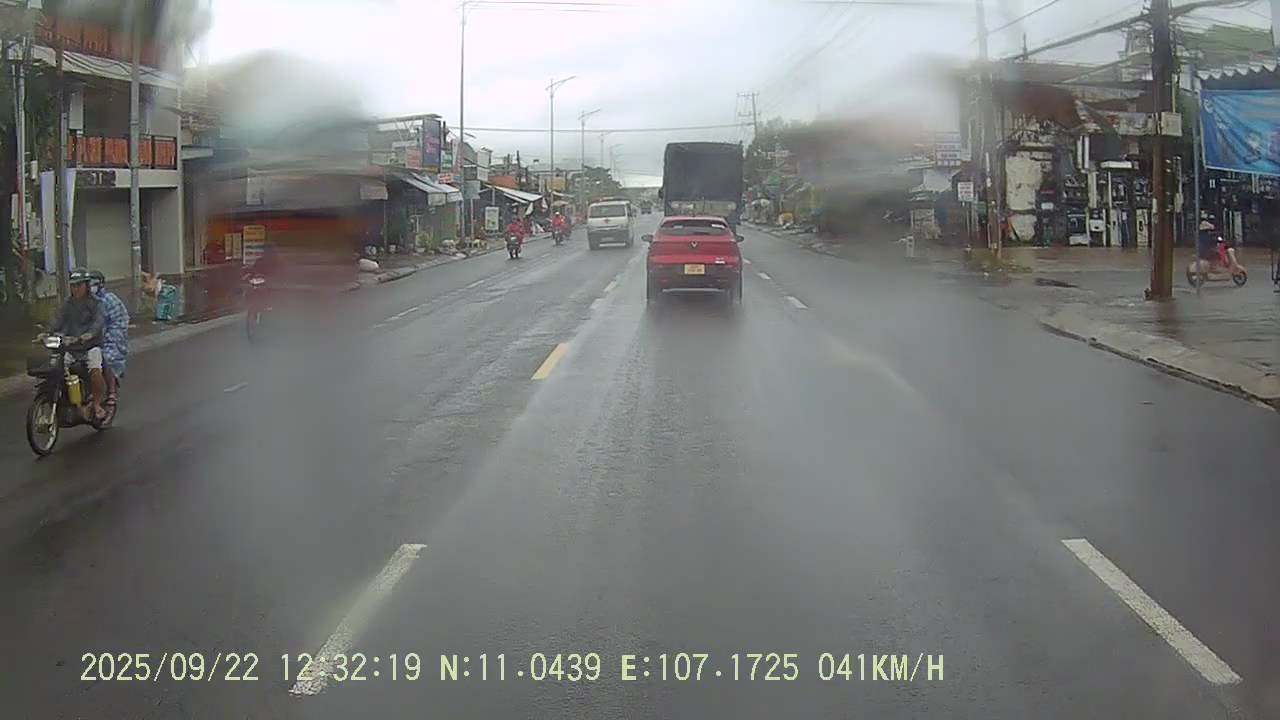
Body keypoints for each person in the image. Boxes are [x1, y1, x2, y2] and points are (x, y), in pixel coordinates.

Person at [39, 269, 107, 421]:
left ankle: (97, 404)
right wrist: (46, 333)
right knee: (55, 367)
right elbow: (57, 320)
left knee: (95, 369)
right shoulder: (67, 304)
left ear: (87, 285)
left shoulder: (96, 303)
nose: (76, 289)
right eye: (73, 285)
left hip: (91, 346)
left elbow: (99, 322)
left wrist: (90, 334)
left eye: (79, 285)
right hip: (71, 347)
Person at [89, 270, 129, 410]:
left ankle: (111, 391)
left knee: (107, 358)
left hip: (110, 337)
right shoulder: (81, 301)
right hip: (88, 338)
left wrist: (105, 337)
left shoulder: (109, 300)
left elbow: (118, 323)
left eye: (93, 284)